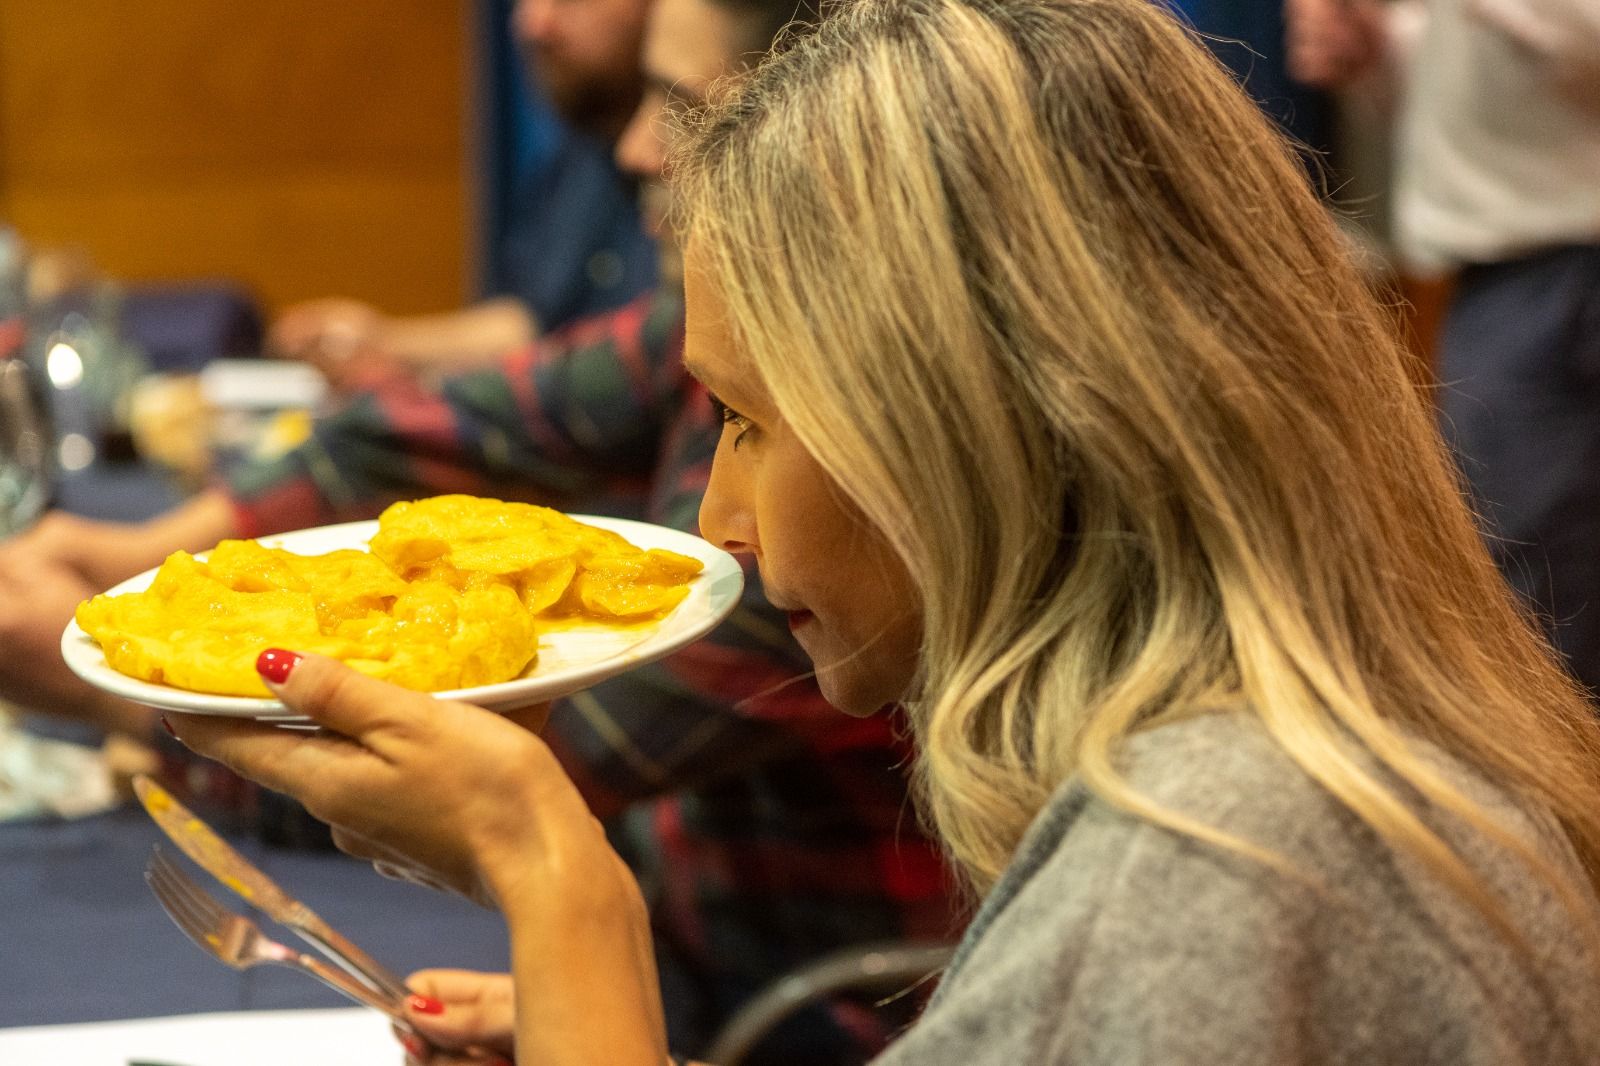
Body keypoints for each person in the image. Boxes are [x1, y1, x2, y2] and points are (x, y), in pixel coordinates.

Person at [168, 0, 1600, 1062]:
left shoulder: (1221, 861)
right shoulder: (1226, 776)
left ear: (968, 420)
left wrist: (551, 872)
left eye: (751, 423)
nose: (720, 524)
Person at [0, 0, 956, 1059]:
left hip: (795, 1007)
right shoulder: (733, 332)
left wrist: (125, 699)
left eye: (681, 108)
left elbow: (532, 759)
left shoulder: (828, 535)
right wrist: (159, 555)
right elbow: (453, 425)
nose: (637, 146)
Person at [1284, 0, 1600, 699]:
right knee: (1527, 605)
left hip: (1564, 274)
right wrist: (1376, 55)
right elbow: (1469, 114)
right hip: (1499, 283)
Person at [269, 0, 658, 384]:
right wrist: (380, 341)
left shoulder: (685, 162)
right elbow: (531, 321)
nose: (533, 24)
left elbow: (648, 359)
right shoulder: (584, 151)